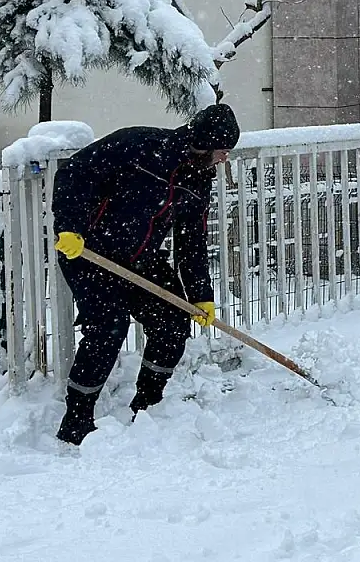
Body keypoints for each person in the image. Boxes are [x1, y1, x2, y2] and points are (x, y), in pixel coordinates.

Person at [50, 104, 241, 445]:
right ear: (205, 144)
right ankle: (76, 422)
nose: (224, 159)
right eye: (223, 151)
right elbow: (74, 174)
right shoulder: (139, 145)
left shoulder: (198, 180)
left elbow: (191, 241)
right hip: (90, 253)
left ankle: (147, 406)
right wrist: (70, 228)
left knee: (173, 321)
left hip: (141, 260)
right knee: (108, 328)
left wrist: (200, 295)